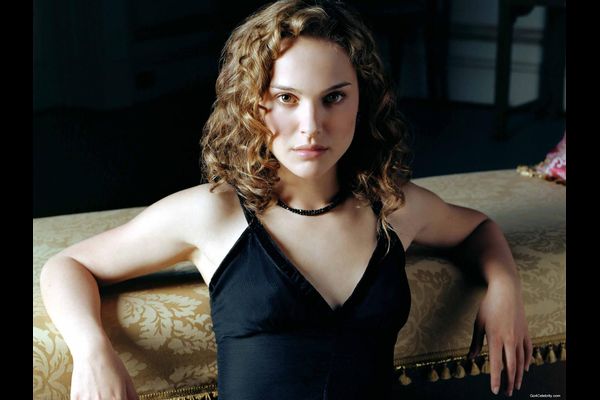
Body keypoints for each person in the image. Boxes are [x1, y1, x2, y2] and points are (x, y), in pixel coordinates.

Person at [39, 1, 532, 399]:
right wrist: (92, 351)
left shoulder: (393, 207)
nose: (311, 127)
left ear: (363, 99)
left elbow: (477, 228)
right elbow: (67, 265)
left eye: (334, 97)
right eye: (287, 98)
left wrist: (504, 286)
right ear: (253, 103)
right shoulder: (214, 213)